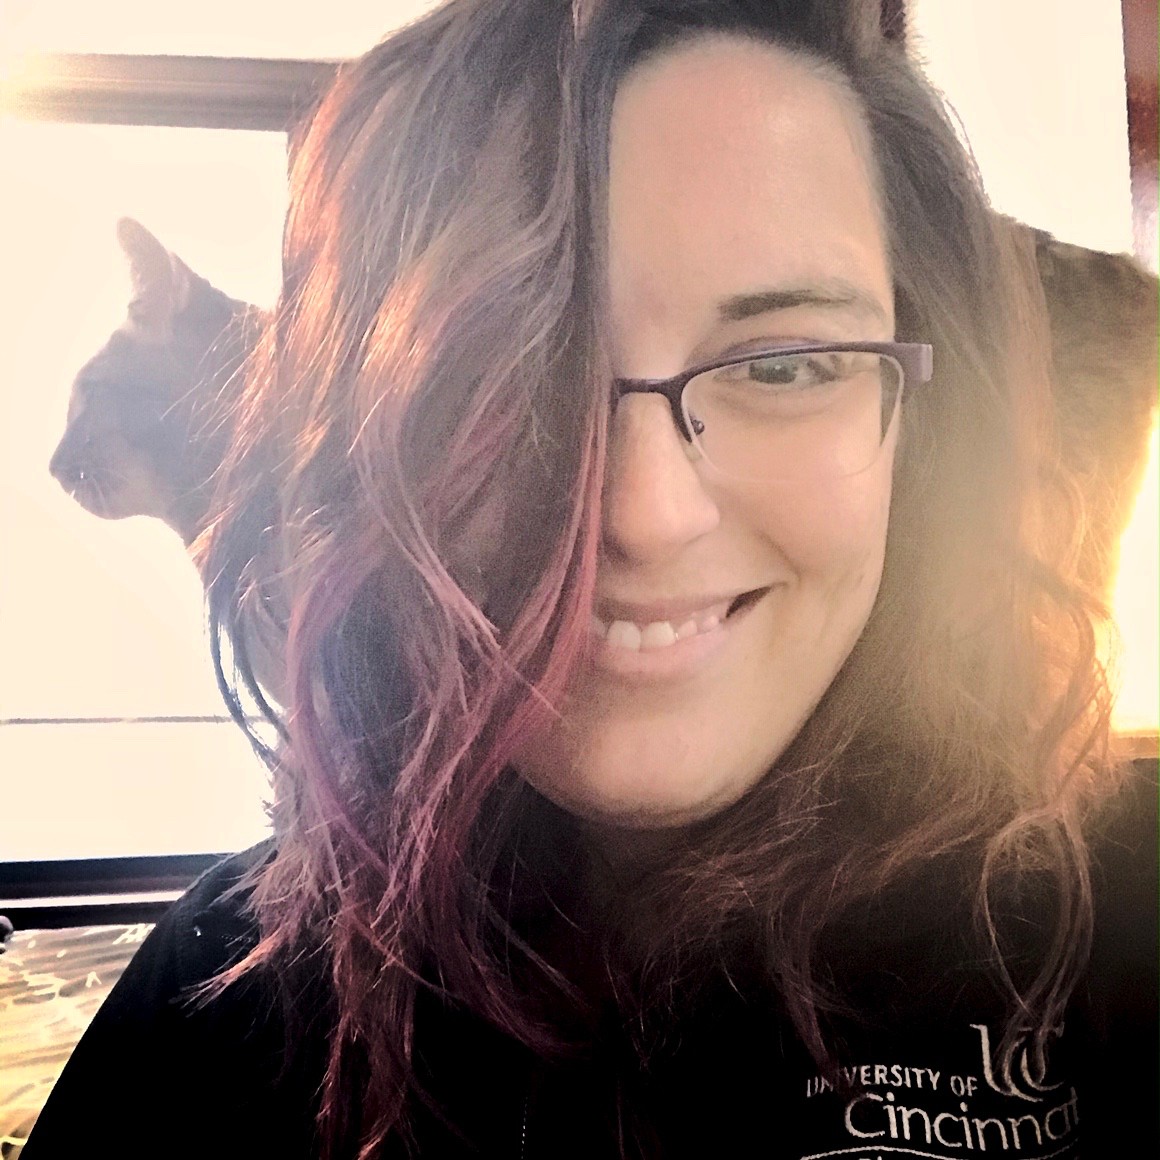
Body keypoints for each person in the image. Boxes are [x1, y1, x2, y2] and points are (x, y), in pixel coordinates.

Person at [23, 1, 1156, 1157]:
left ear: (922, 419)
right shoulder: (228, 991)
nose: (641, 512)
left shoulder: (1114, 912)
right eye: (506, 372)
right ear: (359, 434)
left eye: (784, 363)